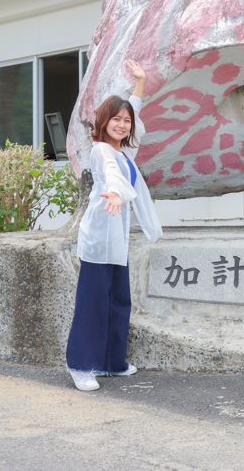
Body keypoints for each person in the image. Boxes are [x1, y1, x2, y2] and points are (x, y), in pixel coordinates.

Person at [67, 59, 162, 391]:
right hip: (98, 238)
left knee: (119, 301)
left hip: (117, 241)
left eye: (125, 121)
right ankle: (80, 366)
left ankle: (112, 363)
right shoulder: (102, 152)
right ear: (102, 122)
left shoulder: (126, 151)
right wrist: (115, 193)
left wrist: (140, 81)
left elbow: (133, 108)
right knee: (92, 303)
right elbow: (111, 177)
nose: (121, 125)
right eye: (115, 120)